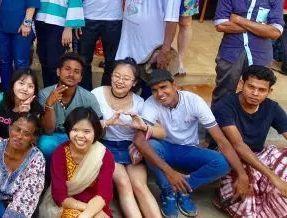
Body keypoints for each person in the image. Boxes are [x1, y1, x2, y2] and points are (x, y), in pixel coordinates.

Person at [133, 69, 249, 218]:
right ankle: (167, 191)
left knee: (223, 162)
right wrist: (170, 172)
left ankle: (183, 189)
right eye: (154, 90)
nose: (159, 93)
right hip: (164, 149)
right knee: (150, 146)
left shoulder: (194, 101)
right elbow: (138, 140)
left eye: (163, 87)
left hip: (188, 150)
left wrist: (242, 174)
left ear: (175, 86)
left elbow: (221, 141)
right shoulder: (150, 103)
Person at [91, 58, 163, 218]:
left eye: (126, 78)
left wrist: (144, 127)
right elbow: (86, 125)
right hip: (106, 147)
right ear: (111, 76)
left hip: (131, 149)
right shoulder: (97, 94)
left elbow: (162, 132)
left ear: (134, 82)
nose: (120, 81)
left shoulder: (139, 102)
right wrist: (106, 122)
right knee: (124, 183)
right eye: (117, 76)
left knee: (140, 186)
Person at [212, 65, 287, 217]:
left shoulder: (271, 107)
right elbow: (238, 145)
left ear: (269, 91)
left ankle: (266, 189)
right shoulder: (225, 106)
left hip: (260, 155)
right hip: (231, 158)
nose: (255, 93)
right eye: (251, 87)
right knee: (247, 206)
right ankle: (223, 194)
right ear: (242, 83)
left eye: (262, 90)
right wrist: (273, 177)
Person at [213, 0, 283, 104]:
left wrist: (239, 20)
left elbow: (275, 32)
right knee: (223, 93)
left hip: (261, 54)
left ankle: (248, 121)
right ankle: (218, 121)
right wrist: (261, 26)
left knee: (255, 96)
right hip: (231, 51)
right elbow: (221, 25)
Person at [39, 107, 115, 218]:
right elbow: (60, 195)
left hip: (96, 206)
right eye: (75, 130)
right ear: (69, 130)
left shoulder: (104, 155)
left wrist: (86, 215)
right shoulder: (60, 154)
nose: (80, 135)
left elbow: (104, 193)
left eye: (86, 131)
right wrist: (86, 210)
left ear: (95, 132)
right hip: (66, 205)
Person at [38, 53, 102, 161]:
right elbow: (48, 130)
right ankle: (50, 172)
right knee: (45, 144)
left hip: (79, 136)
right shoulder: (45, 94)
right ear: (58, 72)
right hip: (54, 136)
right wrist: (49, 105)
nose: (71, 74)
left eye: (76, 71)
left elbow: (98, 129)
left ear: (80, 78)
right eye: (67, 69)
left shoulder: (88, 98)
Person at [0, 68, 45, 142]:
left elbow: (30, 140)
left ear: (34, 91)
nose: (25, 89)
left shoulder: (36, 108)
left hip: (21, 146)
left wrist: (24, 114)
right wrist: (8, 146)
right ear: (13, 84)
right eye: (21, 83)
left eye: (30, 86)